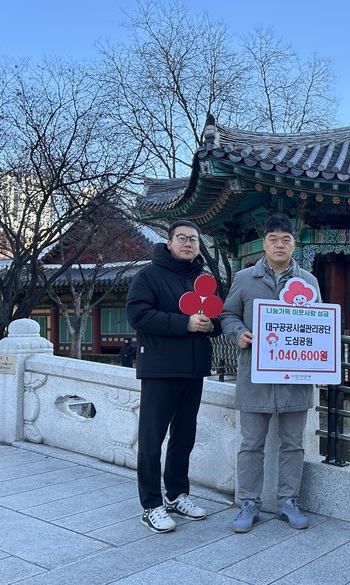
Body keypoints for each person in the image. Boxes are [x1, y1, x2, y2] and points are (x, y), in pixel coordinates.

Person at [220, 214, 322, 533]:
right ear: (263, 243)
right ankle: (248, 503)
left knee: (293, 444)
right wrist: (238, 333)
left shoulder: (308, 281)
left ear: (295, 243)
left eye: (286, 239)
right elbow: (227, 314)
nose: (280, 245)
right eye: (273, 239)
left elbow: (320, 325)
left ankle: (288, 501)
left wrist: (322, 360)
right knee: (251, 444)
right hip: (255, 377)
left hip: (296, 379)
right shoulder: (244, 279)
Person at [126, 219, 222, 534]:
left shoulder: (203, 278)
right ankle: (151, 505)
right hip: (160, 369)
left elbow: (218, 317)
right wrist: (185, 323)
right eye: (182, 238)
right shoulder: (148, 275)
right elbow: (138, 315)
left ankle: (177, 495)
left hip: (194, 369)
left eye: (194, 239)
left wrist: (211, 325)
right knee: (152, 439)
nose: (188, 243)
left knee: (184, 437)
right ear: (169, 243)